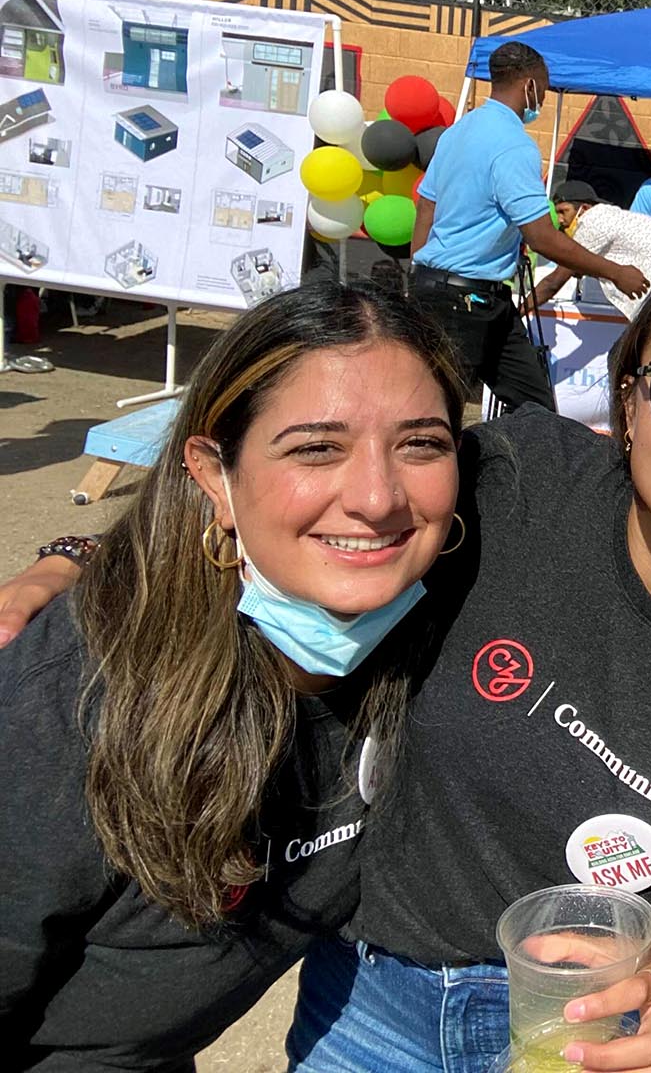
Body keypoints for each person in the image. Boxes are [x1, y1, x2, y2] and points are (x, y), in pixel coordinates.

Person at [284, 239, 651, 1073]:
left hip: (601, 1039)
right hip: (372, 1010)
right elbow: (303, 504)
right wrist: (80, 556)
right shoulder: (513, 482)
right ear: (629, 402)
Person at [0, 282, 466, 1068]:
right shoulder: (70, 704)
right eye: (316, 447)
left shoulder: (440, 618)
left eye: (422, 444)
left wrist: (75, 552)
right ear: (216, 475)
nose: (379, 497)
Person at [411, 40, 650, 412]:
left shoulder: (457, 132)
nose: (543, 97)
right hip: (464, 302)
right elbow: (541, 237)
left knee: (534, 407)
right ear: (530, 87)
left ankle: (520, 466)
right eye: (544, 87)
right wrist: (615, 272)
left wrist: (420, 268)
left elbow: (427, 203)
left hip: (468, 295)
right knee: (438, 414)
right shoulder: (514, 146)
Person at [534, 180, 651, 322]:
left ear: (584, 208)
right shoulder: (607, 215)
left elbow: (553, 283)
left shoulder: (592, 220)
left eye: (564, 211)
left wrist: (518, 313)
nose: (561, 220)